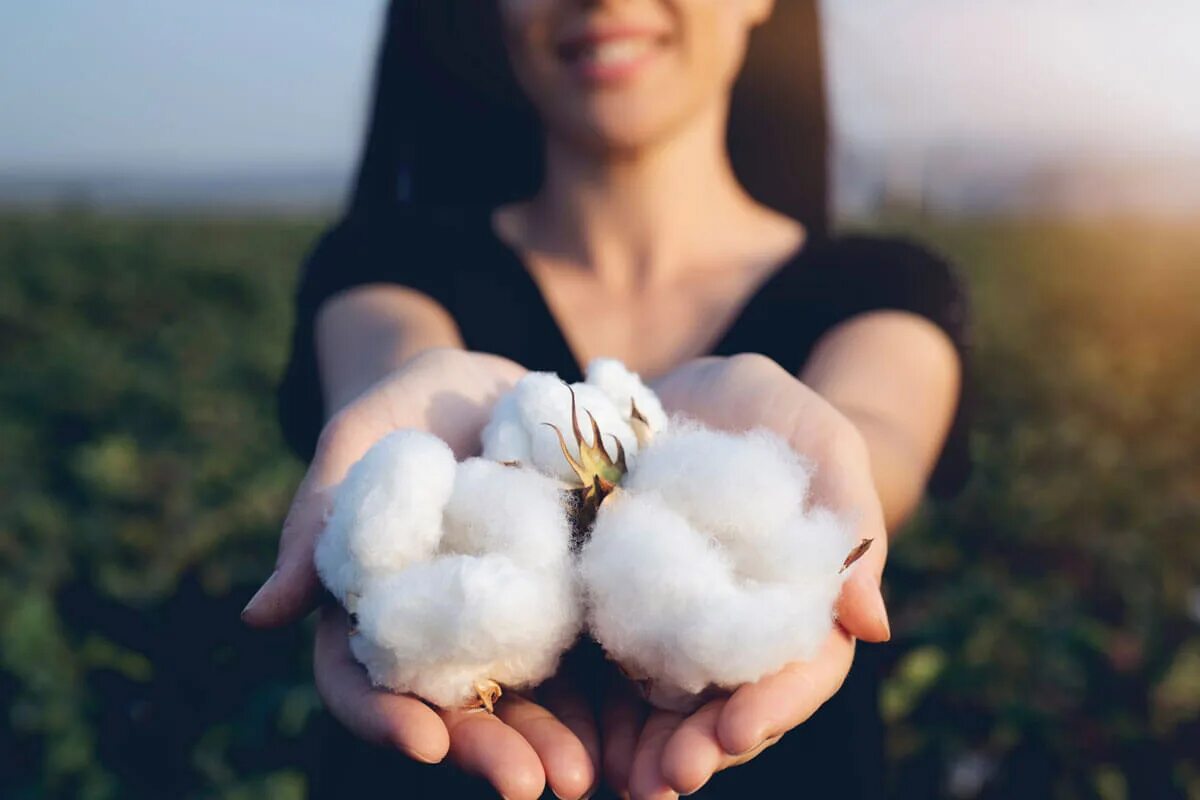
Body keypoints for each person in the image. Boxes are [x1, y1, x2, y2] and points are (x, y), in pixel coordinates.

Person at [242, 1, 970, 797]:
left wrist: (836, 474)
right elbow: (395, 367)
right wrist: (422, 410)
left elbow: (875, 438)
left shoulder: (886, 290)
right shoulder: (385, 260)